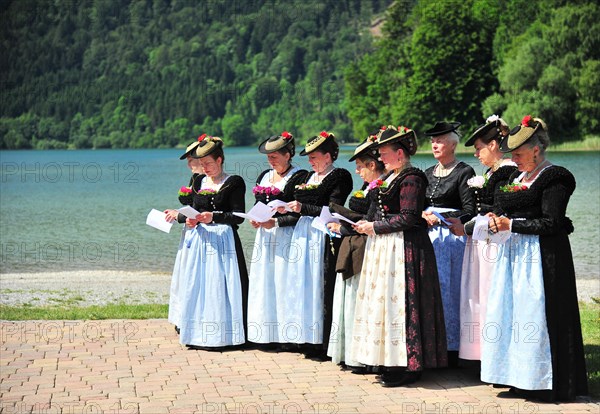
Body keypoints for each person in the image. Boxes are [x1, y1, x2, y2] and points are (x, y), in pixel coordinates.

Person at [482, 116, 588, 401]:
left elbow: (552, 222)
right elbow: (501, 207)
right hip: (513, 256)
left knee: (537, 316)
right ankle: (519, 378)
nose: (513, 159)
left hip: (543, 257)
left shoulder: (556, 178)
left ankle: (547, 382)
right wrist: (495, 217)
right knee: (514, 315)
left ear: (536, 150)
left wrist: (511, 225)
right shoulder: (516, 177)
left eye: (518, 153)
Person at [351, 125, 447, 387]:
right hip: (385, 248)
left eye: (384, 152)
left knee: (404, 304)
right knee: (386, 304)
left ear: (400, 153)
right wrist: (361, 223)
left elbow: (409, 217)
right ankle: (389, 359)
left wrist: (376, 227)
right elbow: (380, 212)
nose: (380, 157)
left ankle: (409, 365)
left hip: (405, 248)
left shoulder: (412, 178)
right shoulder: (391, 177)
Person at [446, 116, 517, 361]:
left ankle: (496, 354)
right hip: (480, 240)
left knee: (491, 296)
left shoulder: (507, 172)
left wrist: (465, 227)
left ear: (494, 145)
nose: (476, 154)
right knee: (477, 296)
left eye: (479, 148)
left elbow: (498, 212)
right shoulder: (491, 171)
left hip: (494, 243)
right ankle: (480, 353)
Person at [285, 131, 353, 359]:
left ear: (328, 156)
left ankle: (323, 341)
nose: (310, 161)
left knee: (321, 283)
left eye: (314, 157)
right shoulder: (306, 177)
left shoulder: (339, 176)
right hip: (303, 233)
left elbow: (334, 209)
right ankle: (305, 336)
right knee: (302, 283)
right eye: (309, 157)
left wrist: (303, 208)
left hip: (323, 233)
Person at [177, 135, 249, 349]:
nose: (204, 167)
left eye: (208, 163)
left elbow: (237, 216)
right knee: (199, 285)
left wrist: (214, 217)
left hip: (223, 240)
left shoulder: (234, 182)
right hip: (200, 240)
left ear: (219, 160)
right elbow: (195, 208)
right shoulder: (199, 181)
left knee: (221, 286)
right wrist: (190, 218)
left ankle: (224, 335)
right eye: (201, 163)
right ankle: (198, 333)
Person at [326, 131, 386, 370]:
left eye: (361, 166)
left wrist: (342, 227)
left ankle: (363, 356)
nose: (357, 171)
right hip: (354, 245)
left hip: (367, 249)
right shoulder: (367, 185)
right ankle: (350, 352)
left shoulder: (381, 187)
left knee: (361, 302)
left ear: (373, 165)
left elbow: (371, 220)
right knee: (350, 301)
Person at [246, 131, 308, 346]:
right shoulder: (264, 175)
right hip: (265, 235)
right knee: (264, 281)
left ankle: (287, 336)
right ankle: (264, 333)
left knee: (284, 282)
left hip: (286, 235)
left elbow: (300, 213)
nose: (270, 161)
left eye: (274, 157)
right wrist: (254, 218)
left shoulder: (300, 177)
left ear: (288, 155)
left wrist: (277, 222)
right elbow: (258, 204)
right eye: (268, 157)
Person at [422, 121, 475, 365]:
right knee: (430, 288)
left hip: (451, 239)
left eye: (440, 140)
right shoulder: (426, 173)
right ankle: (431, 344)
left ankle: (453, 348)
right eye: (433, 140)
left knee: (451, 288)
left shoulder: (464, 172)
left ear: (453, 144)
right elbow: (419, 206)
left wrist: (445, 219)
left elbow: (470, 210)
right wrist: (422, 214)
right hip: (428, 239)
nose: (435, 144)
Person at [164, 137, 204, 334]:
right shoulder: (195, 179)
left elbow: (200, 210)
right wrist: (177, 213)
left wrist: (178, 215)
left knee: (194, 275)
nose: (189, 163)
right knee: (184, 275)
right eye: (188, 159)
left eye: (192, 159)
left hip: (200, 232)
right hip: (189, 231)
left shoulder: (205, 181)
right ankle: (183, 316)